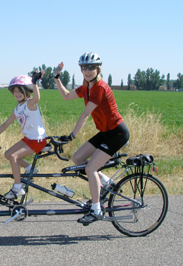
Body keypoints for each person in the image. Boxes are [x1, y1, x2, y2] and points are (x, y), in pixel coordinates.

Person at [53, 52, 130, 225]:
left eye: (91, 67)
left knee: (90, 169)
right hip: (105, 132)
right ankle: (107, 182)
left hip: (117, 133)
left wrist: (72, 136)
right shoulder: (86, 87)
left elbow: (85, 114)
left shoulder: (100, 88)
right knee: (77, 158)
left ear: (98, 69)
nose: (87, 71)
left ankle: (96, 209)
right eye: (84, 68)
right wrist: (57, 78)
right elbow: (66, 96)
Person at [0, 71, 47, 200]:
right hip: (28, 139)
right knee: (7, 154)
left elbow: (37, 98)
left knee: (13, 157)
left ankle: (17, 188)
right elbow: (6, 124)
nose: (17, 94)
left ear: (27, 92)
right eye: (15, 91)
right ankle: (30, 169)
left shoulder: (30, 103)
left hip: (38, 139)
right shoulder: (18, 108)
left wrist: (35, 83)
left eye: (20, 91)